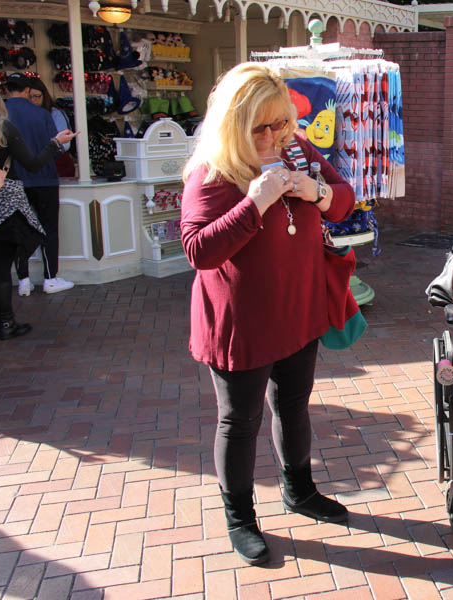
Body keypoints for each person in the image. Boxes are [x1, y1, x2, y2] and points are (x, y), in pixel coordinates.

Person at [180, 63, 355, 566]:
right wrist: (253, 204)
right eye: (263, 126)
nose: (277, 135)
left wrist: (316, 192)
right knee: (240, 421)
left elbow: (344, 200)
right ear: (234, 124)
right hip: (242, 320)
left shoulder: (298, 151)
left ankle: (298, 489)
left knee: (294, 406)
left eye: (283, 122)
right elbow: (198, 251)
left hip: (298, 308)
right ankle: (240, 518)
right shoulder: (213, 173)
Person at [0, 80, 76, 339]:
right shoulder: (3, 130)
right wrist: (55, 143)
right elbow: (33, 163)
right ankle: (5, 322)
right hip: (5, 201)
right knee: (1, 263)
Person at [4, 73, 74, 295]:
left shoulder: (0, 114)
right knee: (48, 229)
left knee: (19, 229)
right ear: (27, 90)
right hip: (44, 178)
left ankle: (23, 279)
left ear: (8, 89)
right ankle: (50, 278)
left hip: (13, 181)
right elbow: (53, 148)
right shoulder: (42, 115)